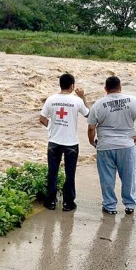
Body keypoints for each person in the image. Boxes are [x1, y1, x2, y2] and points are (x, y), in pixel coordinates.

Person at [87, 76, 136, 215]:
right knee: (128, 176)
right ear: (120, 87)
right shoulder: (133, 100)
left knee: (107, 177)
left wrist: (92, 142)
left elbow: (91, 128)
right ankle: (129, 205)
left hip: (105, 146)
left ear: (105, 89)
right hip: (126, 145)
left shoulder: (98, 104)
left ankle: (110, 207)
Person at [40, 73, 89, 211]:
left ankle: (50, 202)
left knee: (53, 172)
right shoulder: (77, 101)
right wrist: (83, 97)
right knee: (70, 173)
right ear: (72, 86)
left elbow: (42, 119)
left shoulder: (51, 99)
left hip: (54, 141)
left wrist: (53, 127)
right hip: (71, 143)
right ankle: (68, 203)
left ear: (60, 85)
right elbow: (88, 114)